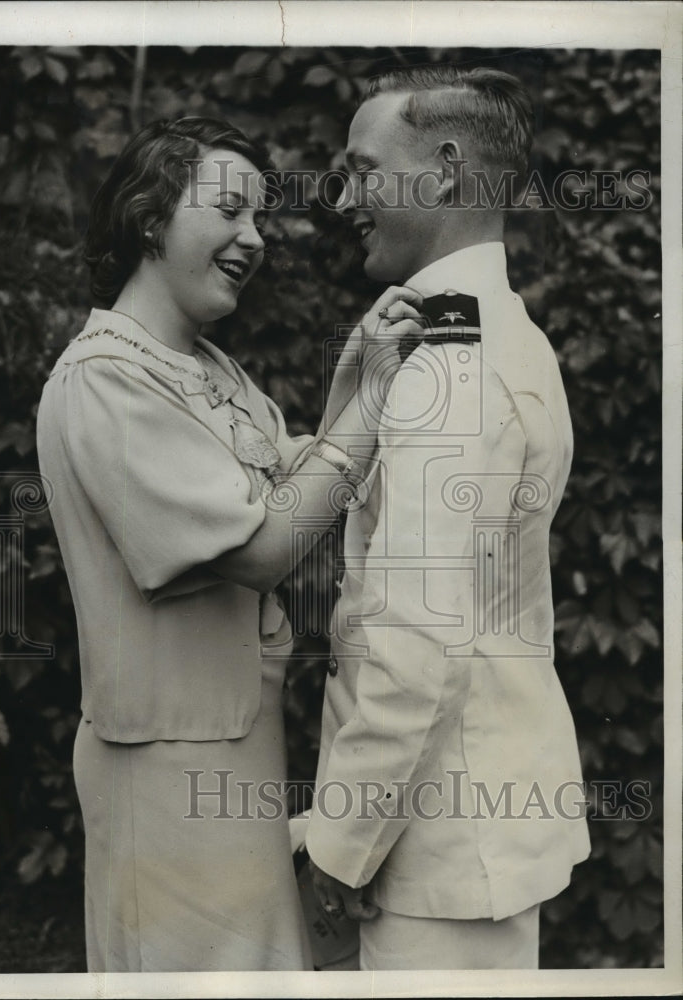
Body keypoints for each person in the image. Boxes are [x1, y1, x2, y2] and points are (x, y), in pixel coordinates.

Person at [35, 116, 426, 972]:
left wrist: (355, 376)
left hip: (235, 752)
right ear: (149, 216)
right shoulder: (106, 376)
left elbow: (294, 483)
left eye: (259, 219)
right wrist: (374, 404)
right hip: (164, 773)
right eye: (230, 211)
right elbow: (260, 551)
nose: (254, 238)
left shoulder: (207, 366)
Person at [305, 66, 591, 970]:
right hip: (477, 836)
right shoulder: (510, 333)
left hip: (434, 853)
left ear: (445, 171)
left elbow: (416, 645)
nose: (344, 197)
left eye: (362, 169)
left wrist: (339, 845)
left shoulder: (443, 361)